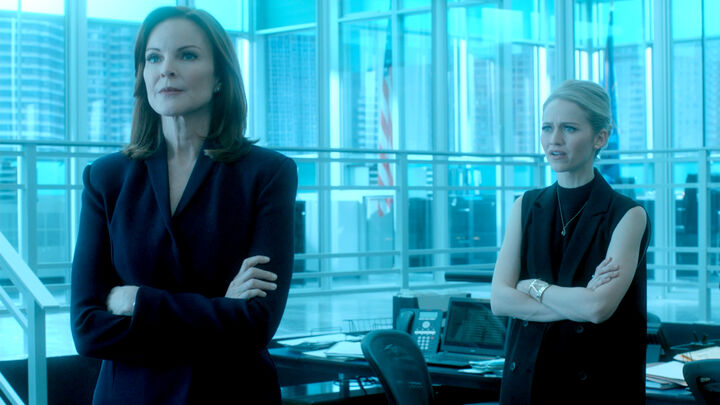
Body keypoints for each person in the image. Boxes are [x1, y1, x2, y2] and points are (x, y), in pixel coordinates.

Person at [70, 6, 297, 404]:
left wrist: (137, 301)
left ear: (220, 78)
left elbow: (256, 325)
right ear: (143, 74)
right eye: (154, 58)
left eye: (187, 55)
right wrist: (220, 310)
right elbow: (87, 329)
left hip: (230, 396)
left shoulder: (267, 174)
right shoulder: (106, 178)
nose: (166, 70)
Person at [490, 80, 650, 404]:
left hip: (594, 389)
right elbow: (500, 300)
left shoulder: (627, 215)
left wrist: (532, 286)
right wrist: (575, 303)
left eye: (569, 128)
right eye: (547, 128)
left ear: (600, 138)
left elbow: (596, 308)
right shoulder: (525, 206)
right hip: (525, 386)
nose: (554, 140)